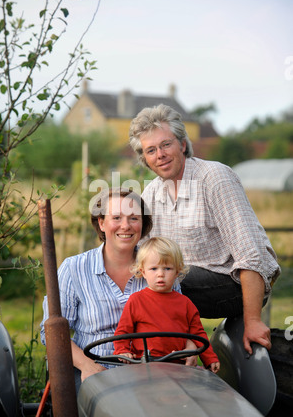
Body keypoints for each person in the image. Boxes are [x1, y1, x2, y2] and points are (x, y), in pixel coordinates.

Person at [129, 104, 281, 355]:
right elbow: (141, 256)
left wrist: (253, 321)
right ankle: (140, 355)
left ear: (183, 144)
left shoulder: (214, 178)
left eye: (166, 144)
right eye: (151, 150)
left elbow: (251, 255)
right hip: (183, 282)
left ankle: (176, 353)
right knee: (141, 279)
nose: (160, 155)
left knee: (167, 280)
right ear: (144, 158)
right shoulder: (152, 193)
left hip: (235, 282)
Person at [40, 188, 155, 392]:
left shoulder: (160, 267)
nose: (126, 226)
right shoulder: (74, 268)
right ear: (101, 223)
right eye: (116, 217)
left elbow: (180, 319)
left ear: (143, 223)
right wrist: (87, 366)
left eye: (134, 218)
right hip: (93, 365)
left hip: (151, 366)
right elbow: (50, 334)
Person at [113, 237, 220, 373]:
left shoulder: (185, 303)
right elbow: (123, 330)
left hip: (178, 365)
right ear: (143, 272)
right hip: (144, 365)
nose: (160, 274)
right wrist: (122, 351)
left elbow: (198, 333)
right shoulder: (136, 300)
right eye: (153, 268)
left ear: (177, 271)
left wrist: (209, 358)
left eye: (167, 268)